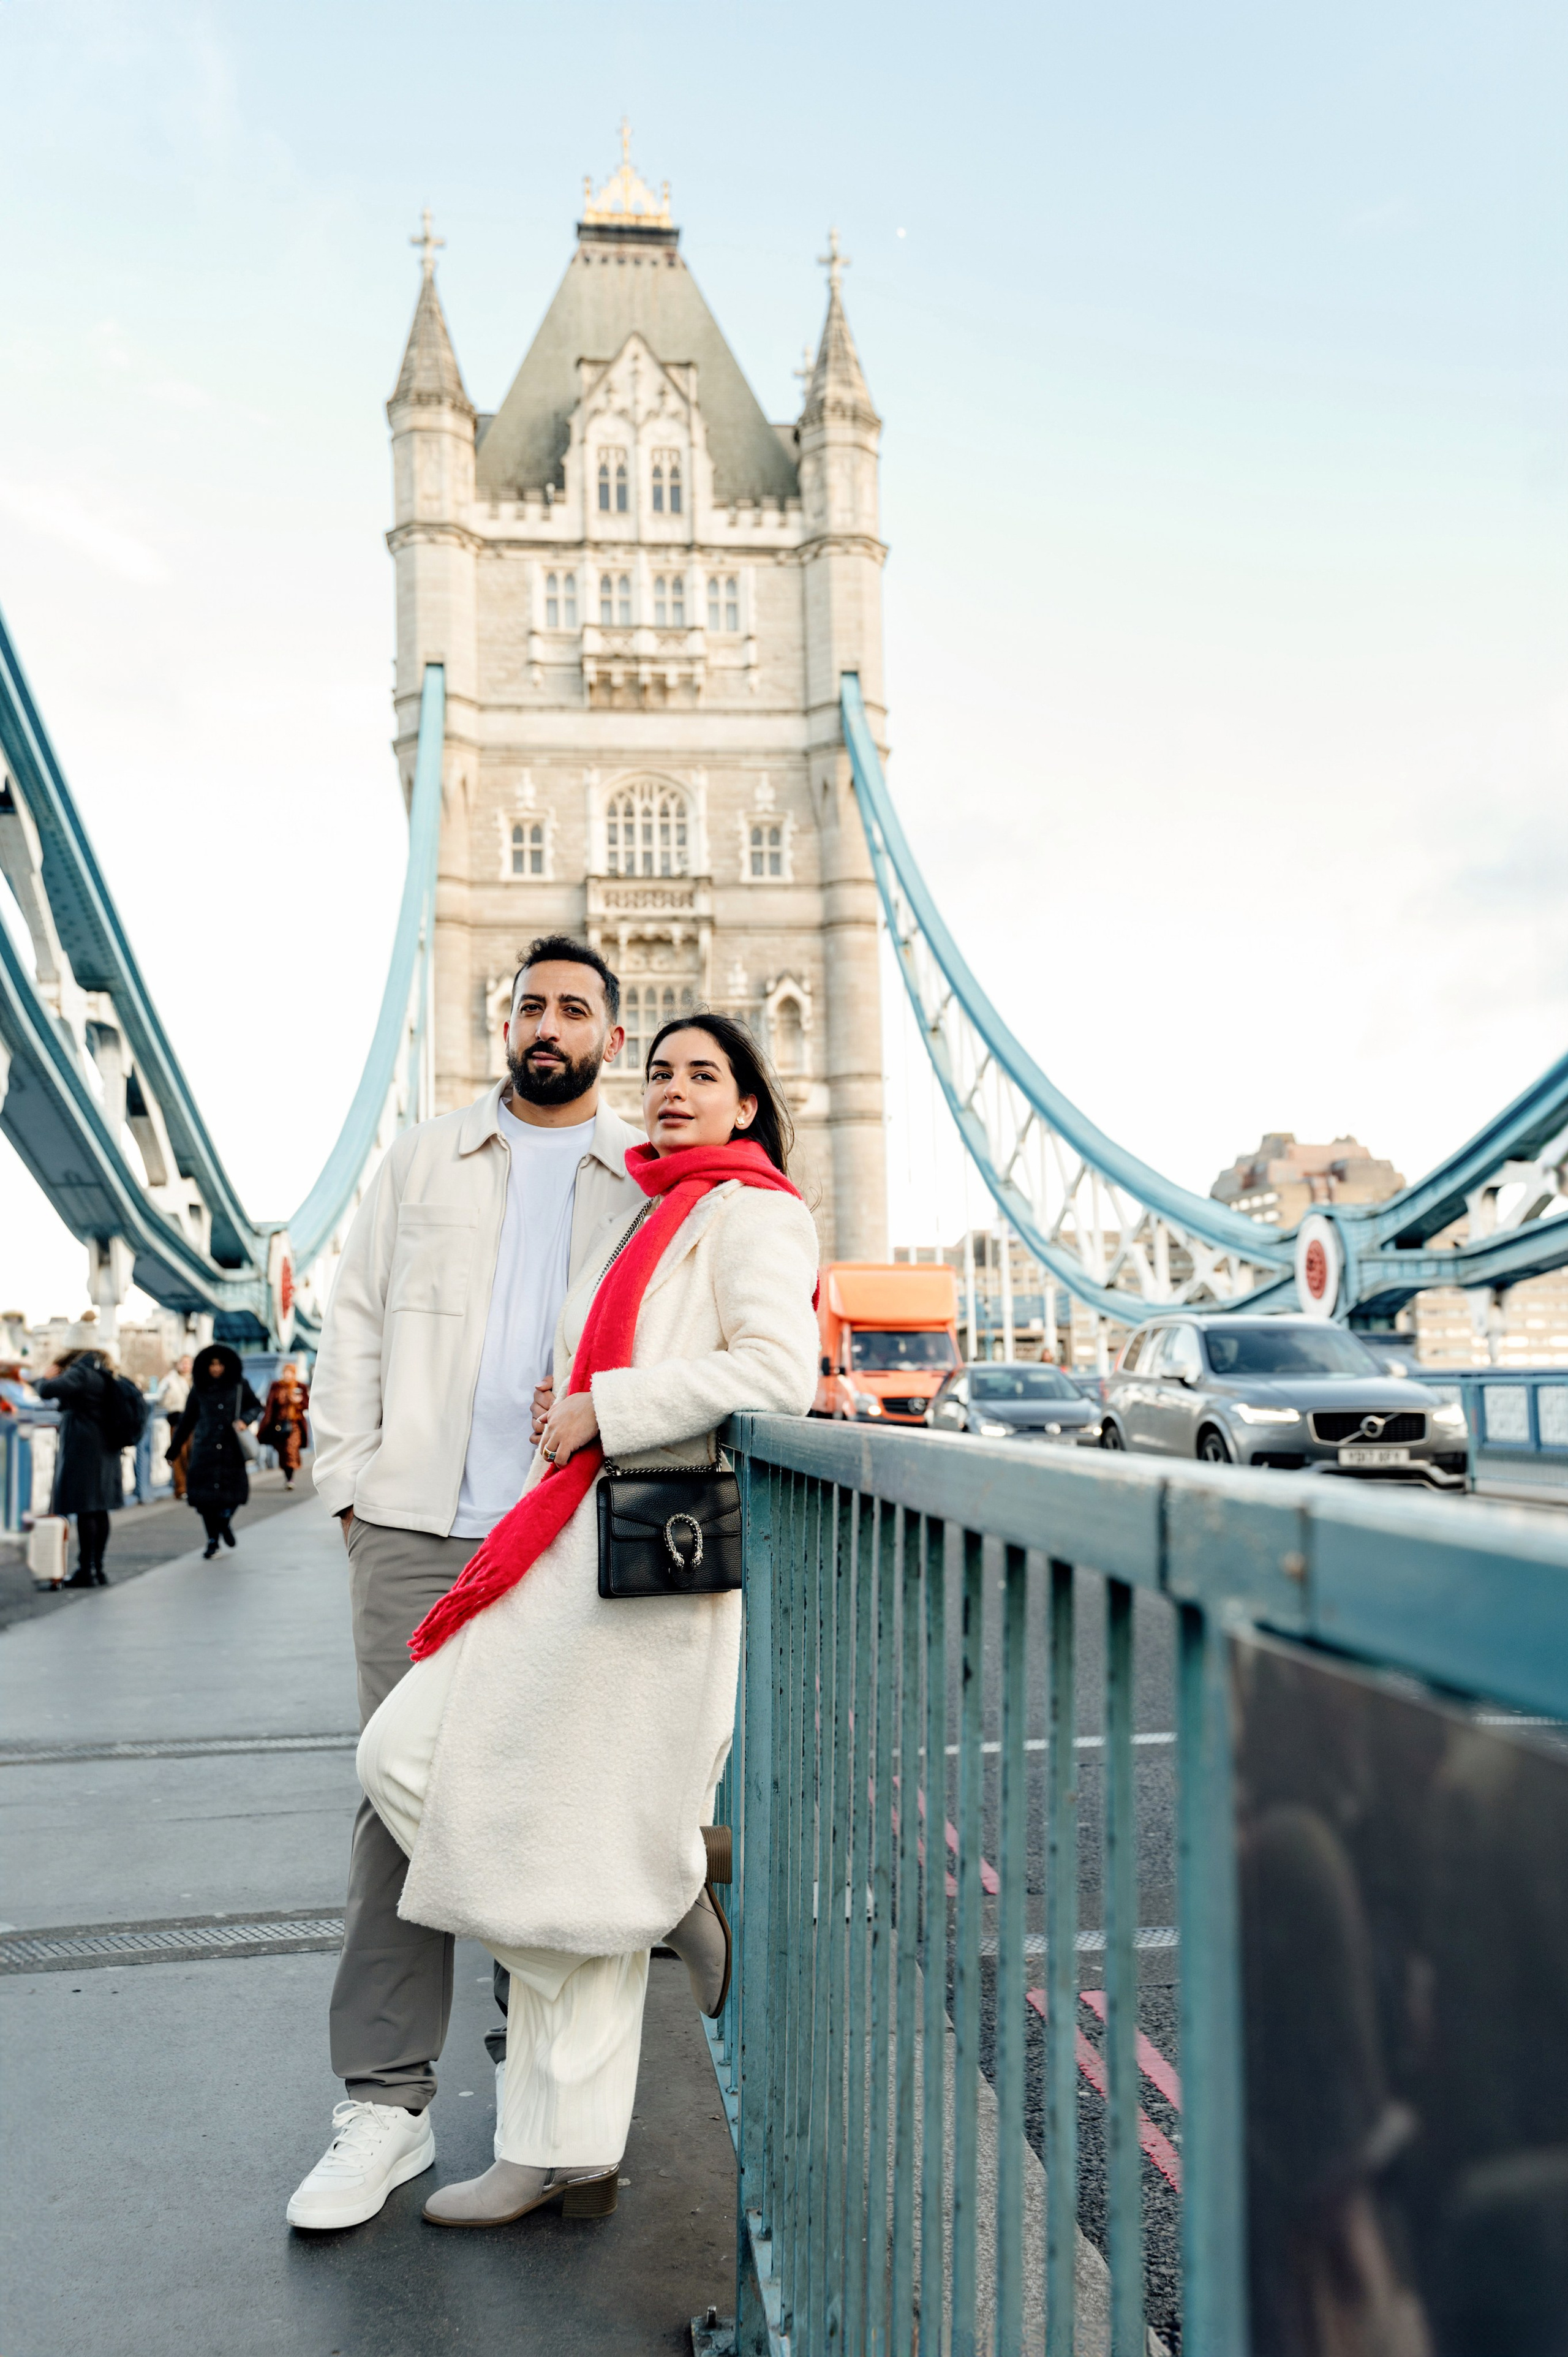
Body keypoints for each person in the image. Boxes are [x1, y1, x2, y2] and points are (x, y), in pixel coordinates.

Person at [349, 1011, 818, 2233]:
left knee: (555, 1830)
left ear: (746, 1106)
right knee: (411, 1763)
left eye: (702, 1074)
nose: (670, 1088)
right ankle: (662, 1898)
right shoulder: (639, 1214)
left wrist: (604, 1403)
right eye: (657, 1070)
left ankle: (552, 2150)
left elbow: (777, 1369)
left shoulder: (753, 1210)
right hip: (562, 1545)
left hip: (643, 1568)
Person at [288, 935, 645, 2232]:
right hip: (417, 1523)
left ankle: (542, 2096)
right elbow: (358, 1316)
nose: (548, 1023)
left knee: (544, 1801)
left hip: (564, 1533)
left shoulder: (644, 1181)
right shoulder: (422, 1155)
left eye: (573, 1008)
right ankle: (384, 2105)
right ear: (505, 1024)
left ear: (611, 1032)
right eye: (529, 1005)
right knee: (397, 1798)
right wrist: (348, 1483)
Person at [35, 1318, 127, 1588]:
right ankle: (97, 1568)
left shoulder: (80, 1372)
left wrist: (45, 1378)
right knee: (99, 1510)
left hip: (84, 1447)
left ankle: (86, 1570)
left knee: (87, 1509)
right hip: (106, 1446)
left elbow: (48, 1390)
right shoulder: (104, 1369)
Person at [166, 1345, 262, 1558]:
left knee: (234, 1495)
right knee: (205, 1499)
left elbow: (255, 1406)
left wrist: (245, 1421)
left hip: (231, 1450)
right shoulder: (199, 1388)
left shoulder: (239, 1385)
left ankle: (224, 1523)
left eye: (220, 1364)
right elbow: (188, 1420)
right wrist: (173, 1451)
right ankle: (212, 1540)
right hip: (205, 1449)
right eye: (212, 1364)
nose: (216, 1368)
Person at [259, 1361, 311, 1489]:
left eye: (290, 1372)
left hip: (294, 1425)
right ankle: (287, 1474)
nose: (287, 1375)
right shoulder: (276, 1386)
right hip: (278, 1425)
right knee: (282, 1452)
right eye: (285, 1372)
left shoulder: (300, 1387)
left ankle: (290, 1478)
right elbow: (270, 1405)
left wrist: (299, 1402)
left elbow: (308, 1405)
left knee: (291, 1448)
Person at [157, 1356, 194, 1499]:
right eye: (183, 1363)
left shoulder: (196, 1379)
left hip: (193, 1421)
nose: (186, 1366)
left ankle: (192, 1485)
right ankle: (181, 1488)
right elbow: (161, 1399)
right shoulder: (169, 1380)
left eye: (188, 1363)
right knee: (179, 1454)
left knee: (192, 1452)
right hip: (177, 1419)